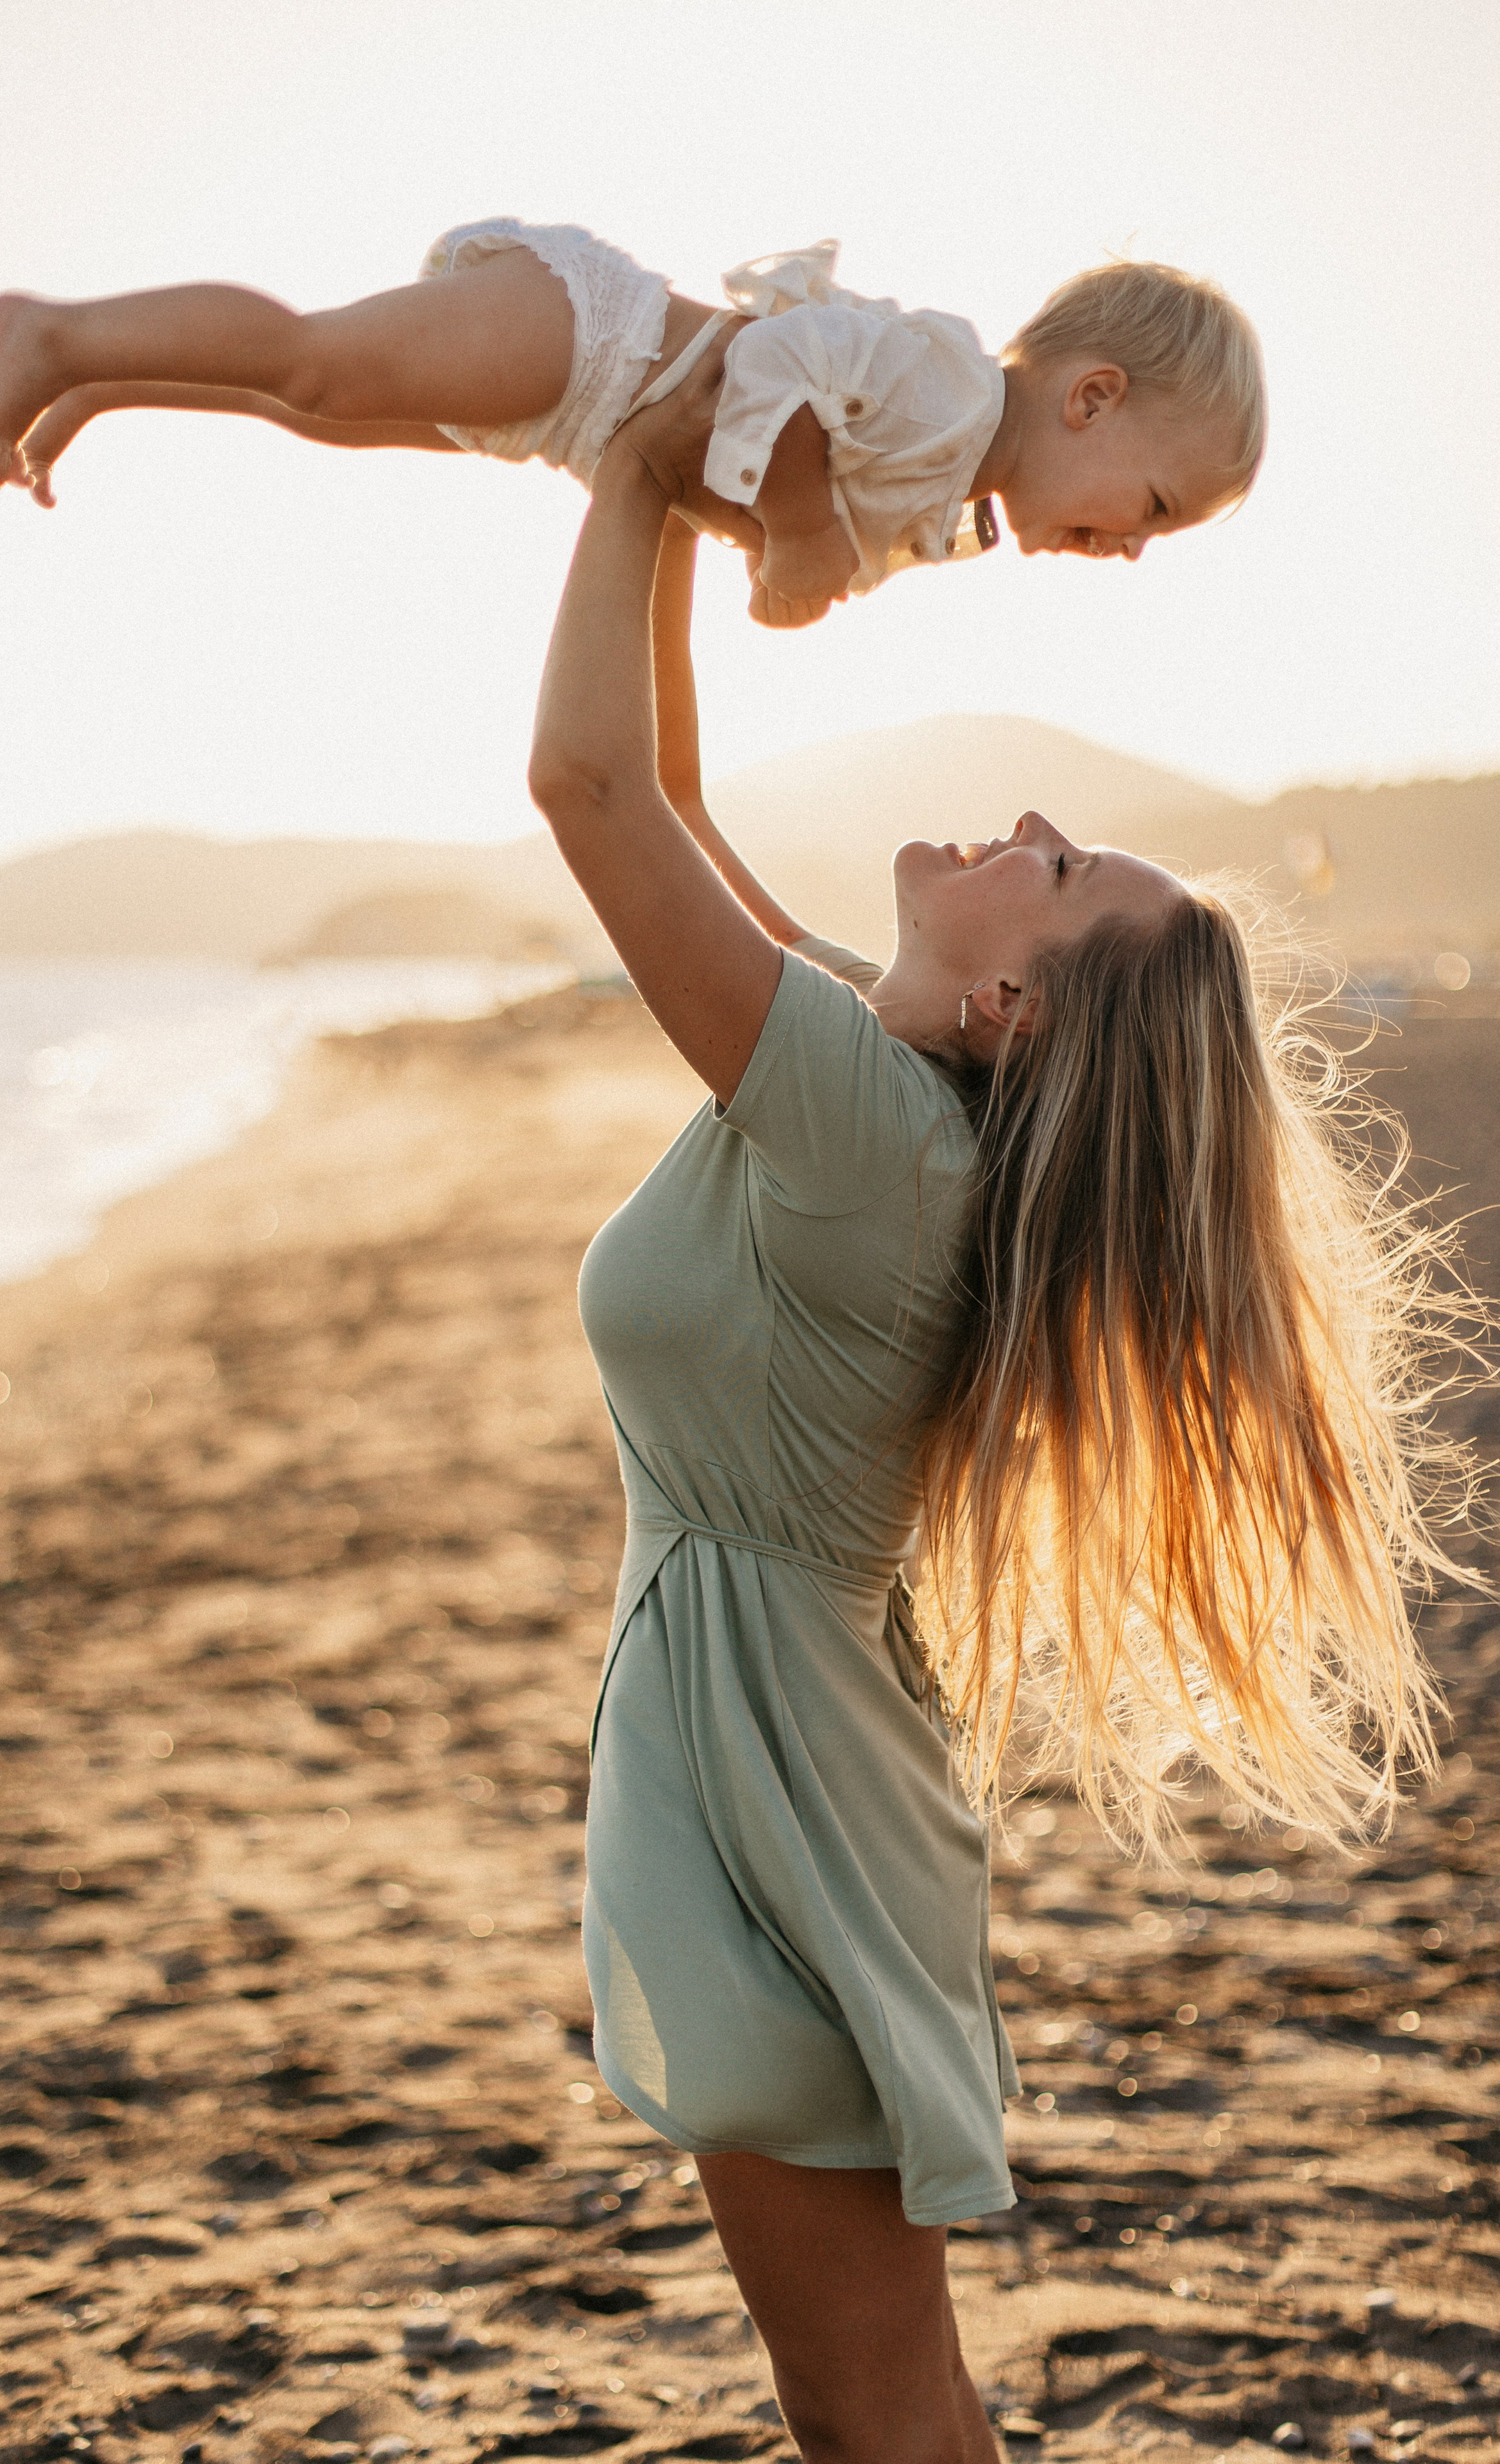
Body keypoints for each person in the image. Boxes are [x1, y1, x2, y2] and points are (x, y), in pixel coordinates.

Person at [523, 341, 1467, 2463]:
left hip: (787, 1793)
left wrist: (628, 464)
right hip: (775, 1742)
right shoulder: (881, 1093)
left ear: (1020, 995)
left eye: (1060, 862)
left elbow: (587, 799)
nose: (1031, 822)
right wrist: (666, 477)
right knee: (881, 2401)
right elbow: (663, 784)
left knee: (876, 2415)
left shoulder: (873, 1135)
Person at [0, 219, 1265, 628]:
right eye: (1154, 509)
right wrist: (800, 530)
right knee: (317, 363)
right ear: (1090, 396)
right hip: (591, 336)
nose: (1135, 550)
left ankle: (105, 380)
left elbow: (769, 521)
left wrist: (793, 562)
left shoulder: (948, 507)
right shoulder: (951, 388)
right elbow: (779, 353)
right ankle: (55, 329)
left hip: (571, 427)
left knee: (323, 416)